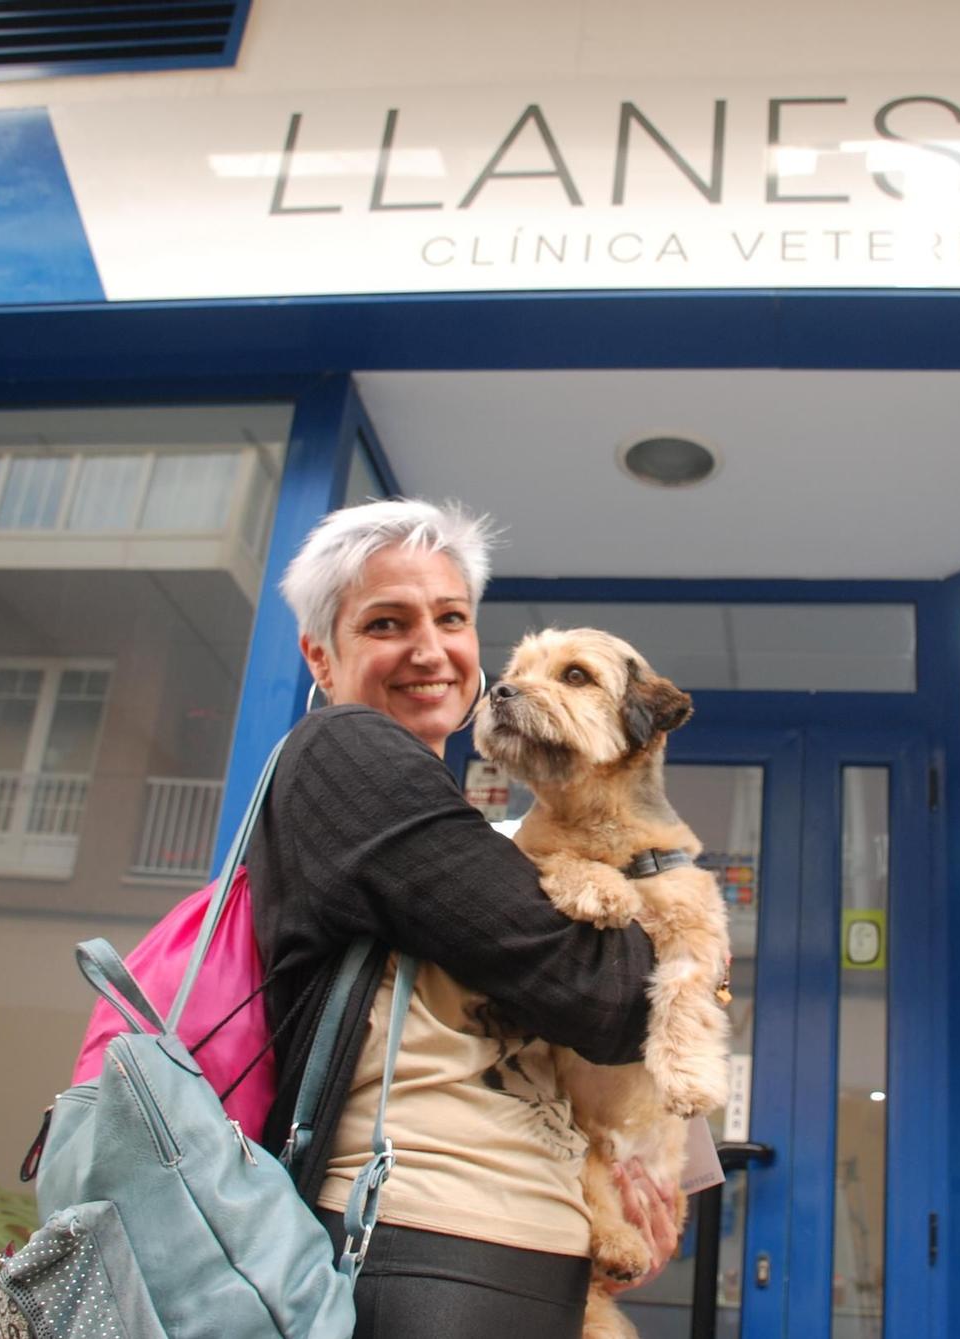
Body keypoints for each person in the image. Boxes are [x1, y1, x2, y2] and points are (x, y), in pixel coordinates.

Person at [246, 497, 680, 1338]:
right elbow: (613, 996)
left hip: (505, 1246)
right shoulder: (346, 757)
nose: (430, 648)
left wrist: (637, 1168)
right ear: (320, 656)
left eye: (451, 617)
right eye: (385, 622)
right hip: (424, 1243)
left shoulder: (471, 827)